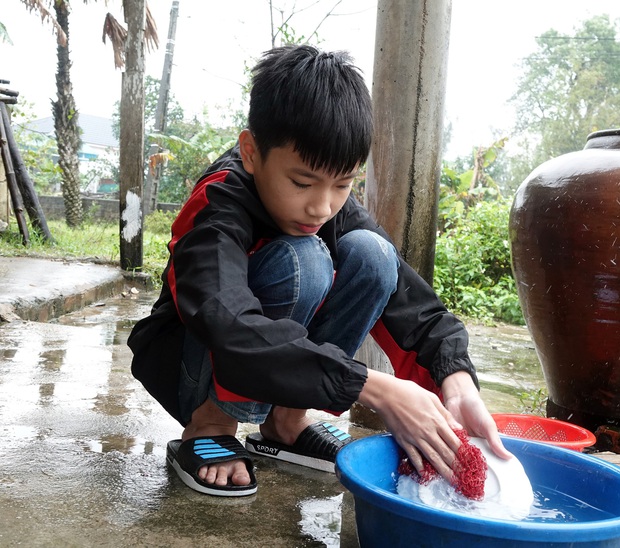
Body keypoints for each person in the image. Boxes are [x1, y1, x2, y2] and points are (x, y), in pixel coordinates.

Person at [128, 44, 509, 497]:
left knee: (374, 254)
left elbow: (413, 303)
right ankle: (212, 425)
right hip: (192, 367)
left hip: (274, 373)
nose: (322, 205)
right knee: (302, 261)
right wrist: (373, 388)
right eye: (302, 182)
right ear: (251, 152)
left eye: (343, 184)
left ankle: (285, 422)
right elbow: (227, 322)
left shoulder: (329, 208)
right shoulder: (216, 207)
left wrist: (457, 383)